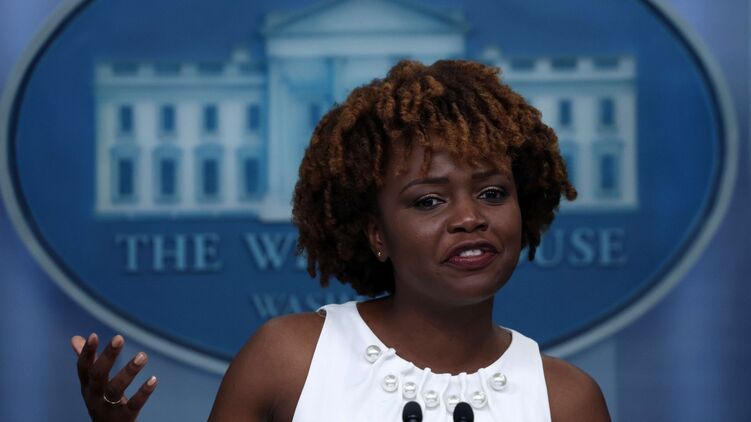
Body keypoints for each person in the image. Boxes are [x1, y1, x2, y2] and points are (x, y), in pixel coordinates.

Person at [71, 59, 611, 421]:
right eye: (429, 201)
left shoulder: (568, 401)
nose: (470, 218)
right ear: (376, 234)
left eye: (492, 193)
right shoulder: (287, 360)